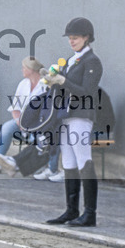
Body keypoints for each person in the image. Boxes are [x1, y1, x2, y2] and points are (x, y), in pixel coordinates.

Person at [44, 17, 104, 227]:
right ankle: (71, 209)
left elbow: (86, 91)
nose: (72, 41)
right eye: (70, 38)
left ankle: (90, 212)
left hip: (81, 115)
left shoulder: (92, 62)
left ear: (87, 37)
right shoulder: (72, 60)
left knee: (84, 161)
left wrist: (64, 81)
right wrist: (53, 81)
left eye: (75, 37)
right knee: (68, 162)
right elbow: (65, 88)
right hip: (66, 116)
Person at [0, 56, 60, 177]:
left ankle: (32, 166)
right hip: (23, 121)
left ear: (31, 69)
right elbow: (15, 108)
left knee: (41, 139)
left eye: (24, 67)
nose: (22, 70)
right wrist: (19, 121)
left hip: (39, 124)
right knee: (6, 128)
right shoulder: (23, 84)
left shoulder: (45, 84)